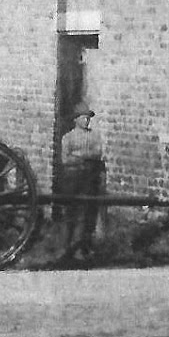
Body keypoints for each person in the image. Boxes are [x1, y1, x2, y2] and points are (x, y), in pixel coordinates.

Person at [59, 102, 105, 260]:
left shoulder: (93, 136)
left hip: (89, 180)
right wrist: (84, 157)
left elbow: (98, 153)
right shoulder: (68, 138)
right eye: (84, 118)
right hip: (72, 180)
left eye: (88, 118)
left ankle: (83, 247)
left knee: (87, 215)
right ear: (76, 120)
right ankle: (66, 247)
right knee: (71, 213)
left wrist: (78, 156)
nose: (87, 121)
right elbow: (65, 159)